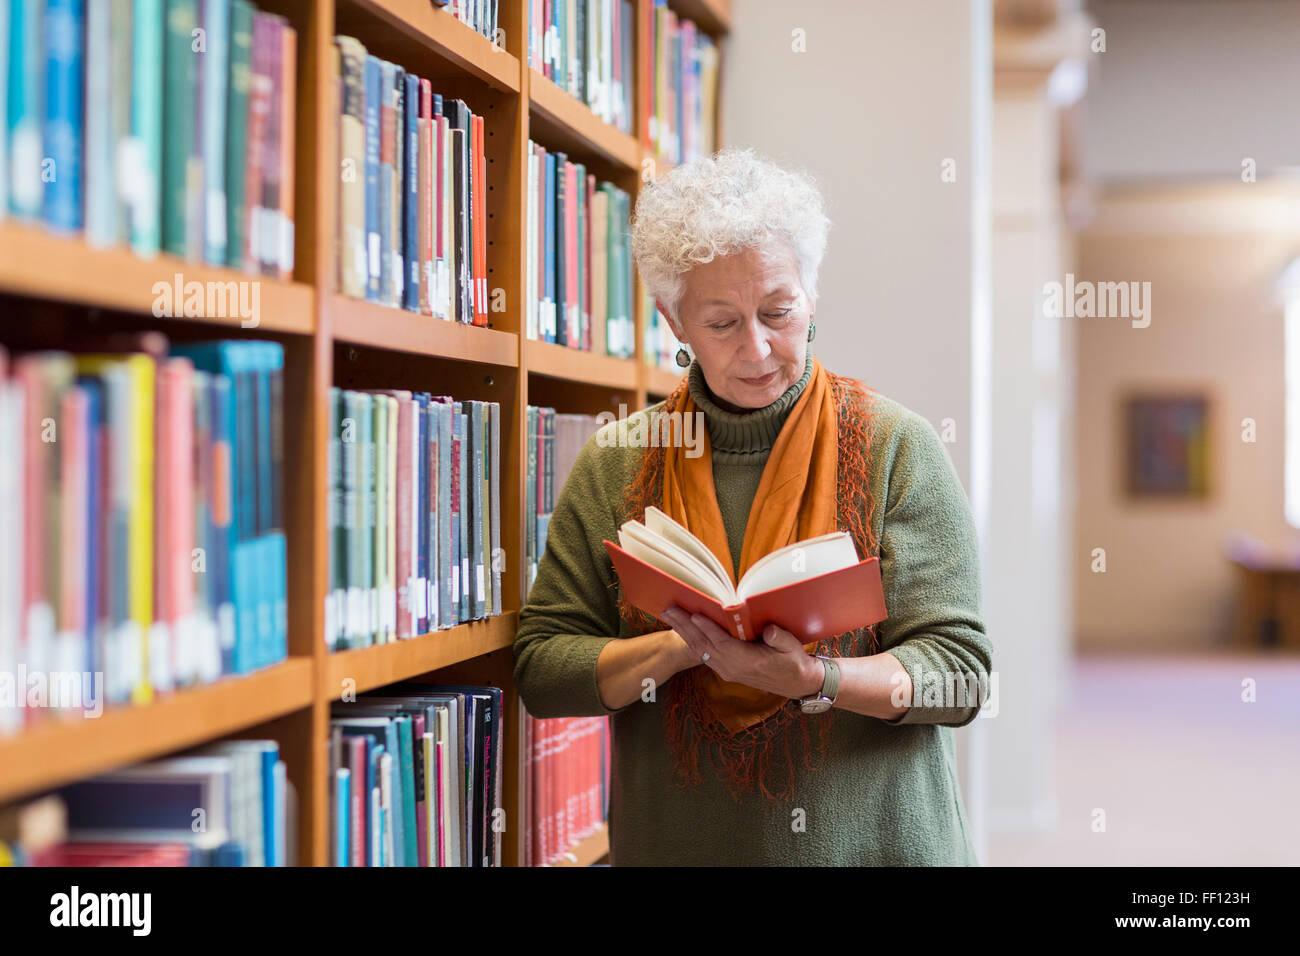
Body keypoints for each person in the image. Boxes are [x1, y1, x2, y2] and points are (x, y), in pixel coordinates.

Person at [513, 147, 991, 865]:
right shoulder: (615, 463)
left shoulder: (898, 446)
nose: (760, 347)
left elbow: (959, 676)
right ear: (675, 324)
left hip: (879, 850)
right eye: (721, 323)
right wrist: (682, 647)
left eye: (779, 311)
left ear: (812, 296)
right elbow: (543, 671)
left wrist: (818, 680)